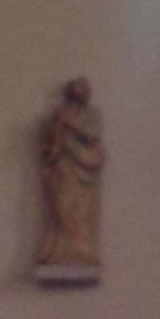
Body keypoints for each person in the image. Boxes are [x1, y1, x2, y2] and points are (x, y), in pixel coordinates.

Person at [38, 76, 105, 276]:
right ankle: (58, 250)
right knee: (61, 205)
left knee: (81, 210)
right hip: (62, 166)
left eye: (85, 90)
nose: (84, 94)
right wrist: (51, 152)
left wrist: (71, 125)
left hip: (84, 166)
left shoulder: (93, 115)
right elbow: (54, 139)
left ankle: (81, 252)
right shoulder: (59, 113)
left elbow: (92, 135)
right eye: (80, 90)